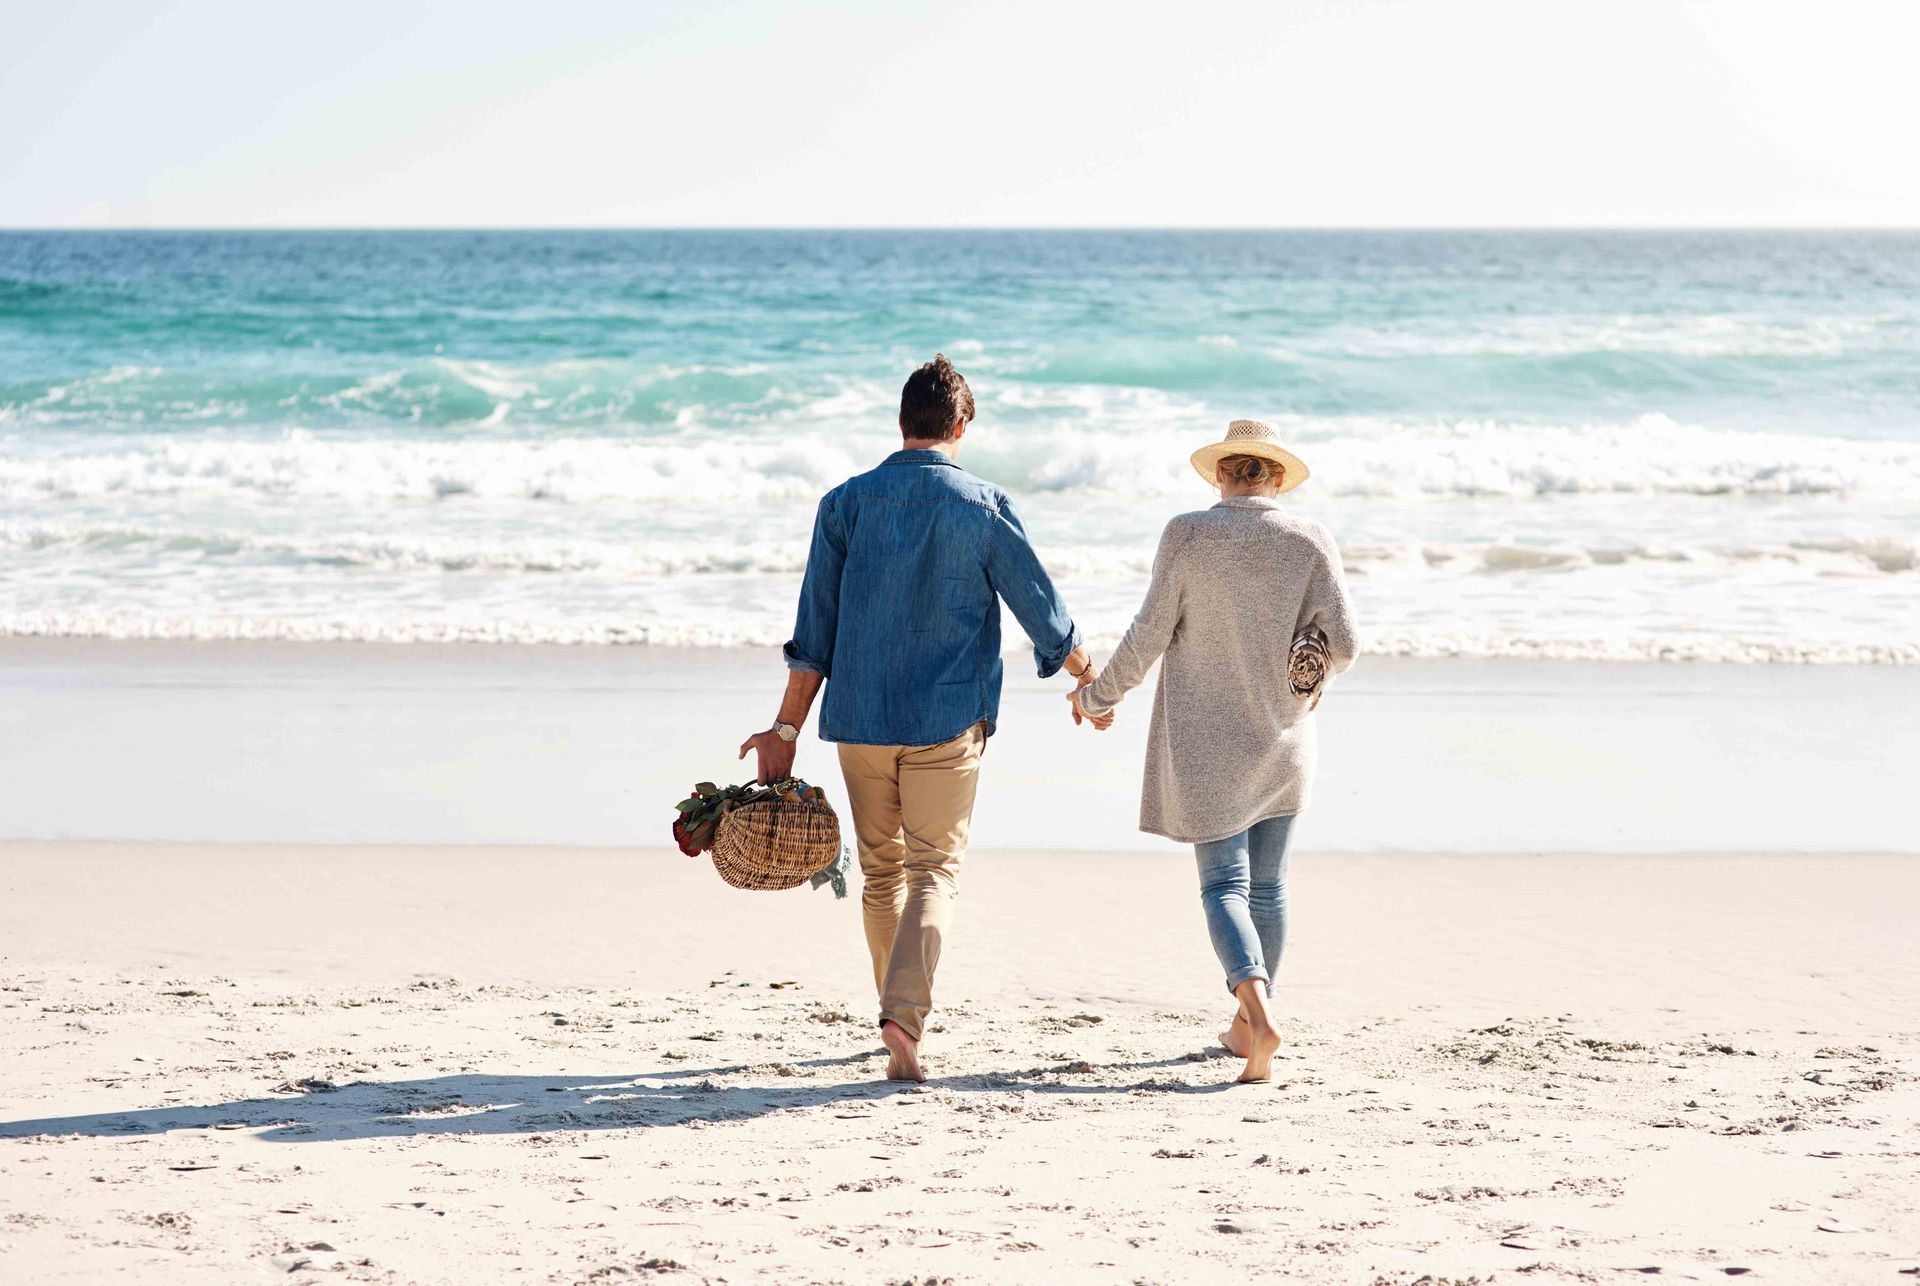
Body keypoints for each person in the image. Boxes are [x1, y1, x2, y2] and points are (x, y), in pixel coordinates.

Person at [740, 354, 1095, 1083]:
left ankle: (891, 1010)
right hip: (946, 718)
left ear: (902, 423)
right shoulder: (983, 506)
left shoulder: (845, 503)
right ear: (961, 426)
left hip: (862, 721)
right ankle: (904, 1016)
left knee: (881, 874)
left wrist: (784, 731)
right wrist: (1089, 676)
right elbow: (1041, 609)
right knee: (935, 870)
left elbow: (815, 630)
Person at [1069, 420, 1358, 1083]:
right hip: (1285, 739)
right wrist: (1297, 664)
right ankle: (1246, 1025)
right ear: (1277, 477)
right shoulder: (1310, 540)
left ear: (1222, 473)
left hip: (1206, 745)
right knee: (1269, 889)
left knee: (1224, 886)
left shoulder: (1189, 534)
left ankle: (1256, 1017)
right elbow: (1342, 646)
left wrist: (1096, 698)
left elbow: (1148, 634)